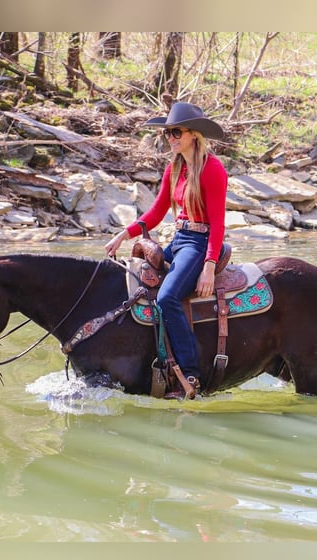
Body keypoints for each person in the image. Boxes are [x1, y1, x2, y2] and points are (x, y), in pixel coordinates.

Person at [105, 102, 228, 399]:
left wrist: (209, 265)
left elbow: (218, 224)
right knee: (135, 281)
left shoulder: (213, 169)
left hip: (200, 243)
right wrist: (124, 234)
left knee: (168, 296)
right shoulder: (175, 168)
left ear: (194, 135)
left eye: (175, 132)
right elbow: (158, 212)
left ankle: (190, 374)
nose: (170, 138)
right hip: (179, 239)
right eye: (167, 133)